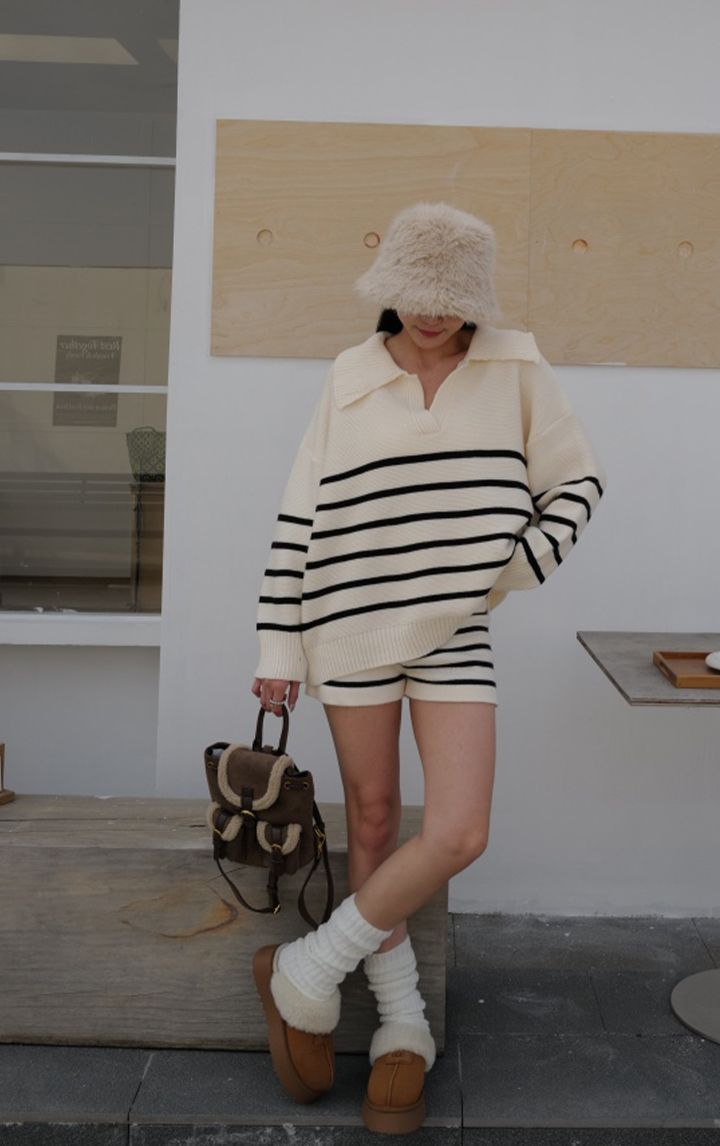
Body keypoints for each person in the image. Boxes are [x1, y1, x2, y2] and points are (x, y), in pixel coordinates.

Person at [250, 201, 606, 1134]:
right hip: (347, 624)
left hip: (454, 631)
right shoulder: (350, 375)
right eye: (417, 295)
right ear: (390, 288)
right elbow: (299, 515)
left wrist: (513, 567)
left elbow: (577, 481)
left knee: (458, 831)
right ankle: (401, 1025)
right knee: (373, 818)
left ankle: (309, 969)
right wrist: (277, 645)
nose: (433, 315)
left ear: (476, 297)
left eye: (452, 299)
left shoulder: (515, 368)